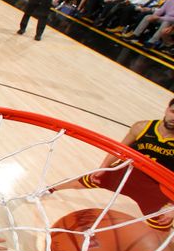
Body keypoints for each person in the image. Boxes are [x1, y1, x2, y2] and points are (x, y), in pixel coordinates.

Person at [50, 99, 174, 231]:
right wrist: (103, 167)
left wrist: (172, 206)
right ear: (167, 109)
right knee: (82, 181)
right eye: (173, 112)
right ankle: (49, 189)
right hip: (127, 172)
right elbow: (119, 150)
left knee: (161, 225)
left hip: (156, 186)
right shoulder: (142, 127)